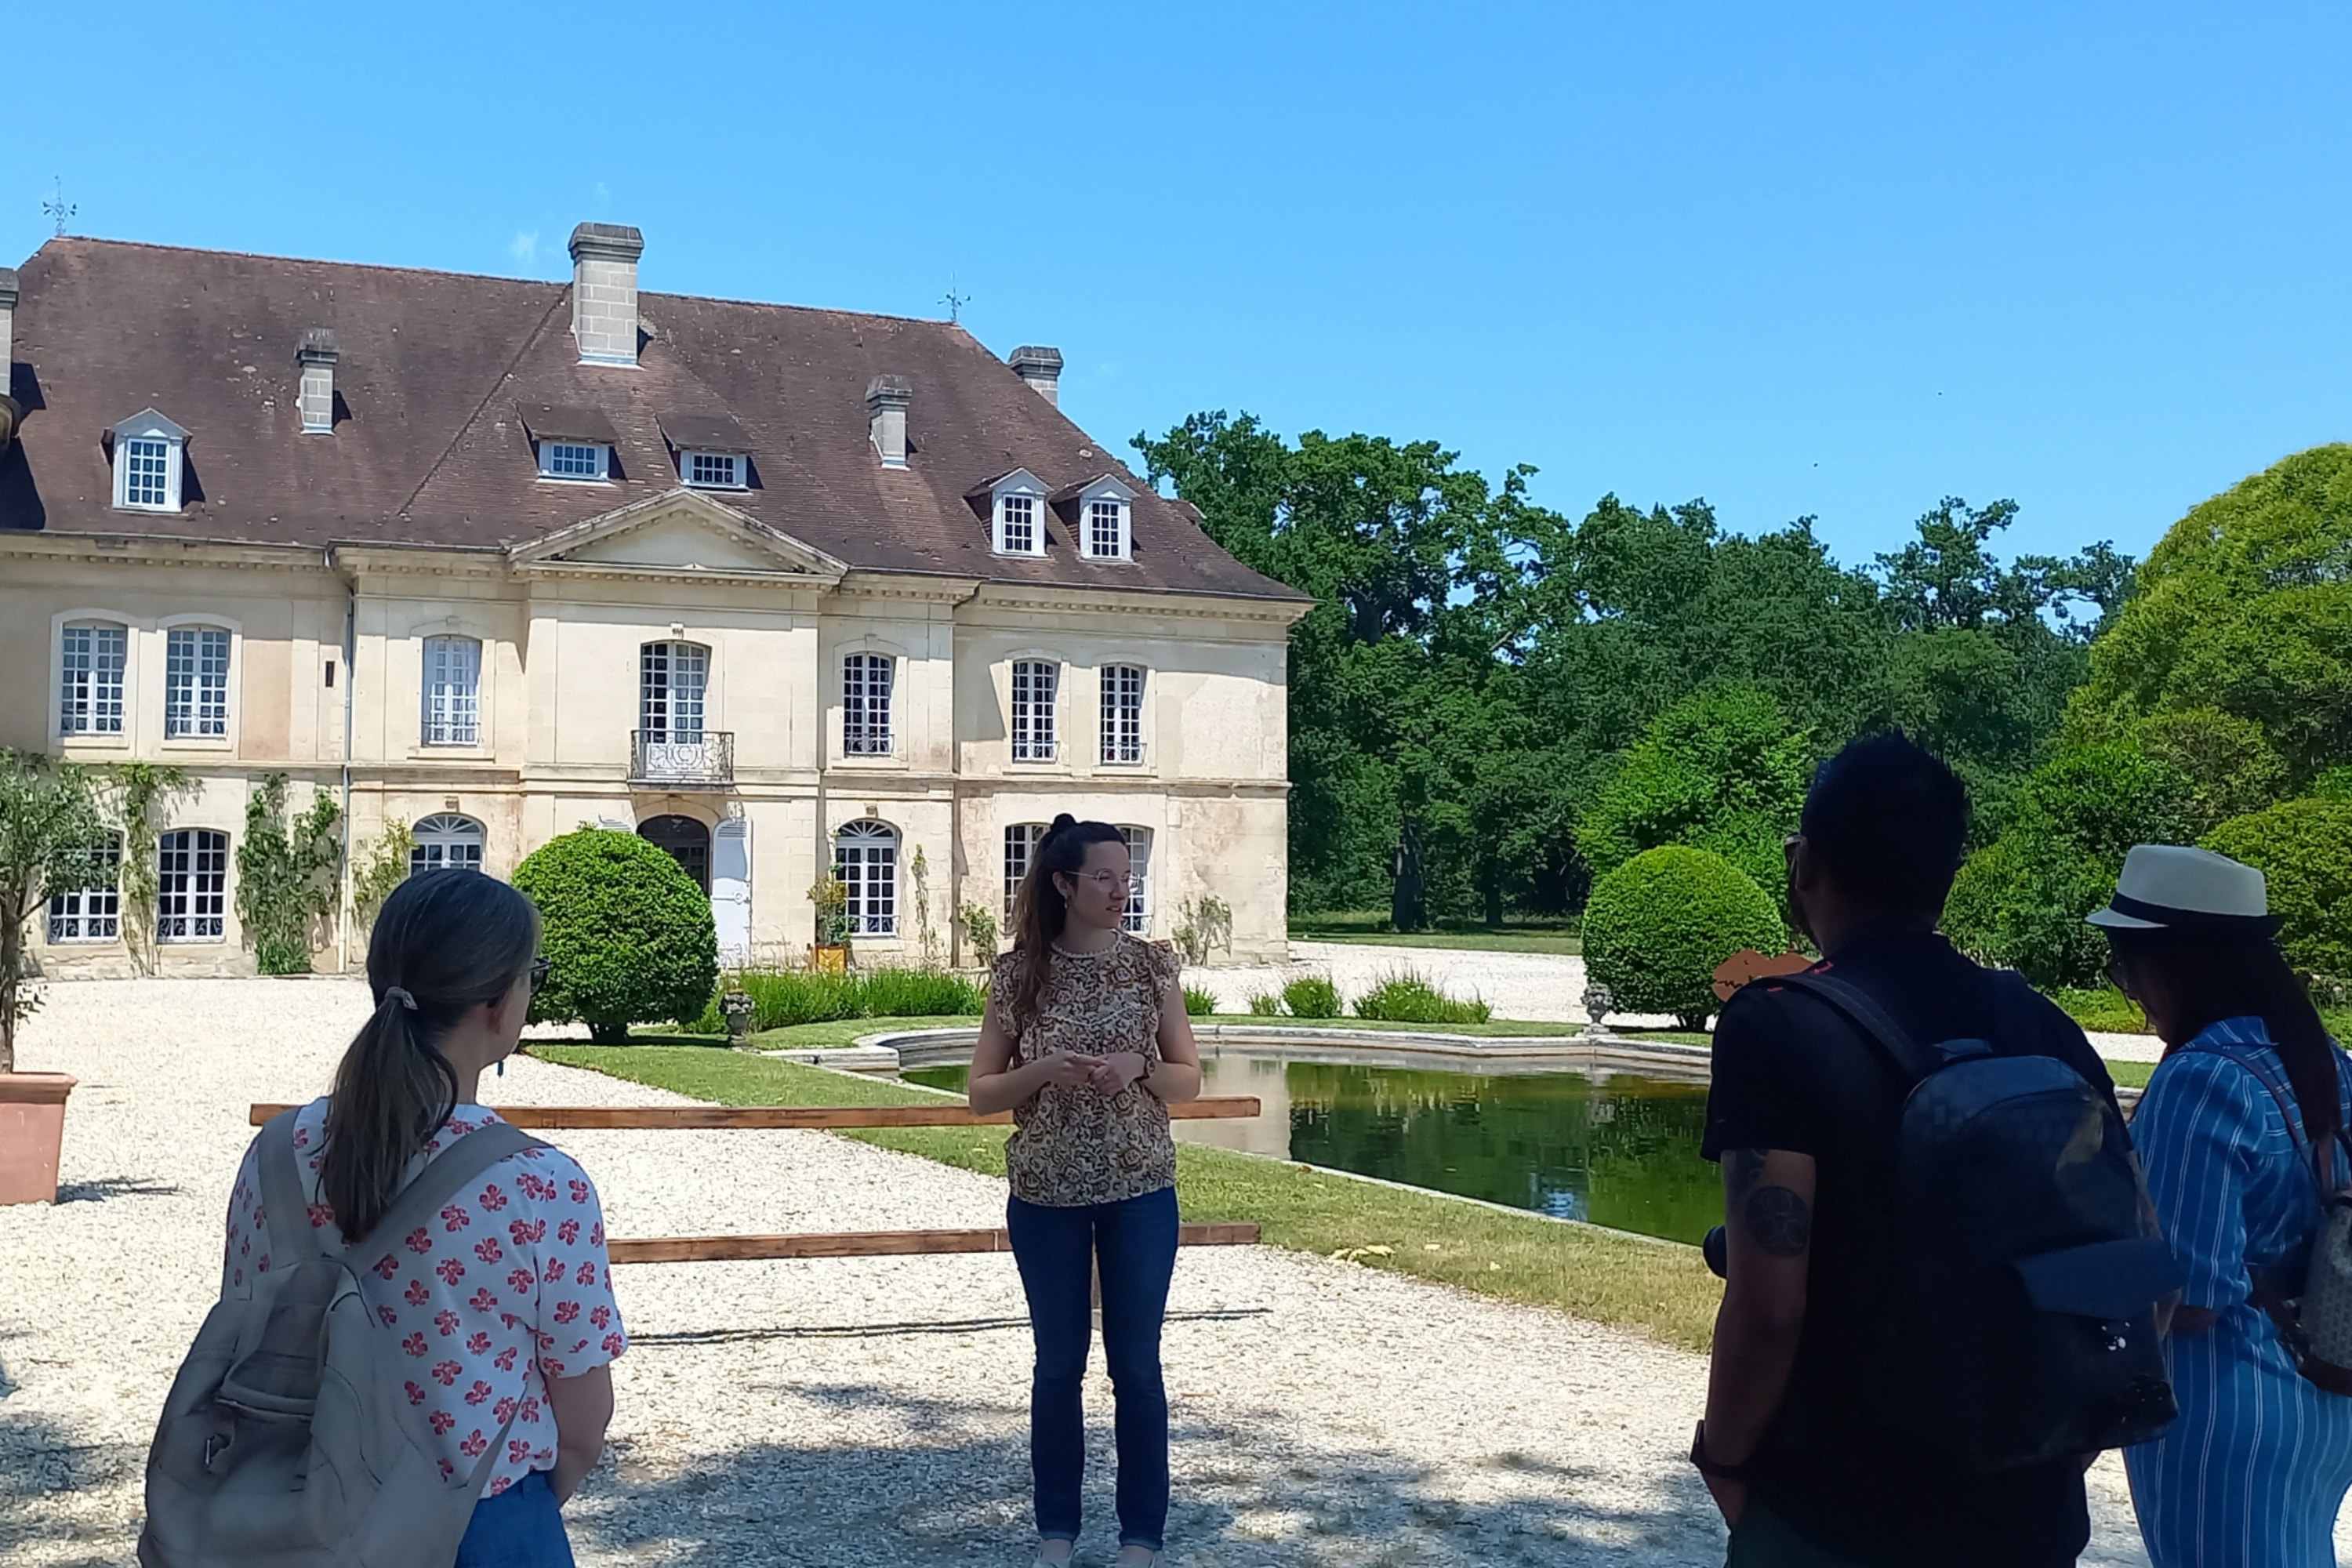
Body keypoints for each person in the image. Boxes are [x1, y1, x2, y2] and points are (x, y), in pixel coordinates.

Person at [1696, 731, 2122, 1567]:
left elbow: (1769, 1305)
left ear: (1804, 865)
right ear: (1948, 873)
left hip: (1842, 1505)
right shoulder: (2045, 1028)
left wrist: (1729, 1455)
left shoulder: (1778, 1024)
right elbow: (2129, 1264)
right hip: (2023, 1505)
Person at [216, 869, 623, 1567]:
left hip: (288, 1515)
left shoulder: (279, 1153)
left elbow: (244, 1327)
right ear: (498, 1003)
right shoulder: (538, 1185)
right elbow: (584, 1424)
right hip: (477, 1521)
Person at [2096, 844, 2352, 1567]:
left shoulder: (2202, 1080)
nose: (2132, 990)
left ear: (2175, 962)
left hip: (2223, 1412)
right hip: (2321, 1388)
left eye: (2126, 967)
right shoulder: (2323, 1060)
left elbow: (2191, 1295)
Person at [967, 815, 1204, 1568]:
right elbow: (980, 1093)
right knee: (1057, 1364)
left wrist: (1138, 1066)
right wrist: (1043, 1070)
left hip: (1139, 1187)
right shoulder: (1016, 975)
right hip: (1045, 1194)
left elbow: (1189, 1080)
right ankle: (1056, 1536)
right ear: (1064, 884)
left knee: (1136, 1366)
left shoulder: (1152, 968)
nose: (1118, 888)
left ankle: (1141, 1538)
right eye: (1103, 876)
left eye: (1124, 874)